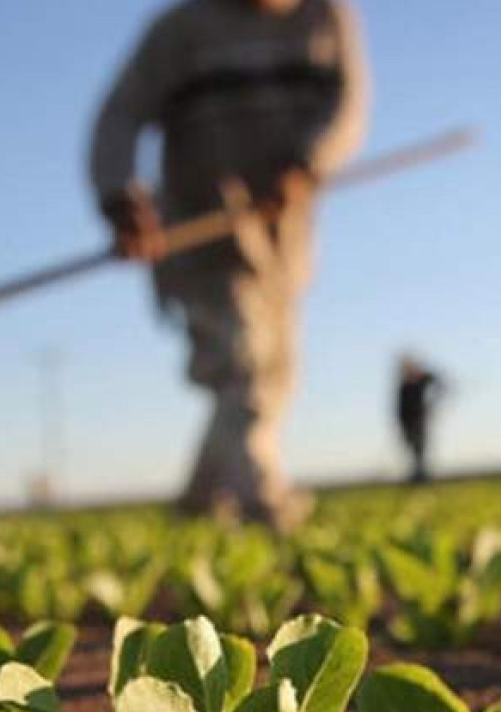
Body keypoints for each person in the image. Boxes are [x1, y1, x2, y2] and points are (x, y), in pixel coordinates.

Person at [90, 0, 370, 531]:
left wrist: (309, 162)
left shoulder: (325, 17)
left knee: (276, 373)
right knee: (243, 365)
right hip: (202, 232)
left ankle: (198, 503)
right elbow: (120, 114)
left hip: (281, 240)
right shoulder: (180, 30)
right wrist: (118, 196)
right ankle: (265, 503)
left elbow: (347, 104)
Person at [395, 355, 444, 484]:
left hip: (419, 421)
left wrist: (433, 402)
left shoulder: (421, 380)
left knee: (420, 449)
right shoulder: (404, 386)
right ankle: (418, 475)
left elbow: (439, 382)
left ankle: (421, 477)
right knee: (413, 450)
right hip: (407, 423)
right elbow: (400, 409)